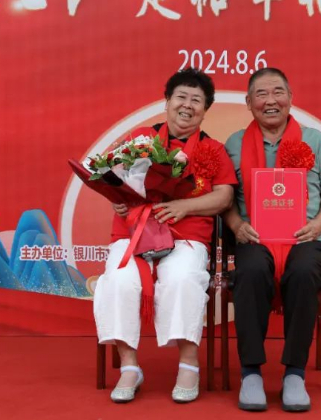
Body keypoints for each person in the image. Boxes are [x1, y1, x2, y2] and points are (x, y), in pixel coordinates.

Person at [94, 68, 237, 404]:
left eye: (196, 100)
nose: (187, 105)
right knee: (118, 279)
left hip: (186, 236)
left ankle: (189, 364)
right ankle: (130, 367)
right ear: (167, 101)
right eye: (181, 97)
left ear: (205, 110)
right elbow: (111, 176)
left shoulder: (213, 149)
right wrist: (118, 199)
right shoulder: (140, 139)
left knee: (183, 278)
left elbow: (225, 197)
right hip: (134, 232)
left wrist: (185, 207)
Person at [224, 68, 321, 412]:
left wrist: (317, 224)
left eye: (278, 92)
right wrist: (236, 225)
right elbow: (224, 198)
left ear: (291, 98)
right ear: (249, 102)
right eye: (261, 94)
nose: (270, 100)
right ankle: (251, 373)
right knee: (249, 271)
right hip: (254, 238)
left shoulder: (314, 140)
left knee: (305, 271)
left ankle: (295, 372)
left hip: (306, 238)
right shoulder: (234, 144)